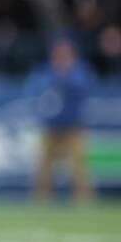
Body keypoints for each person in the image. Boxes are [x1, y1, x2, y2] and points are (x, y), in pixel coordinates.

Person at [27, 37, 96, 203]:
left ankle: (84, 201)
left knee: (79, 167)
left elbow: (84, 86)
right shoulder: (45, 71)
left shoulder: (80, 71)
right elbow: (34, 89)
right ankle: (41, 200)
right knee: (43, 167)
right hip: (50, 127)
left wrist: (64, 76)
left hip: (73, 127)